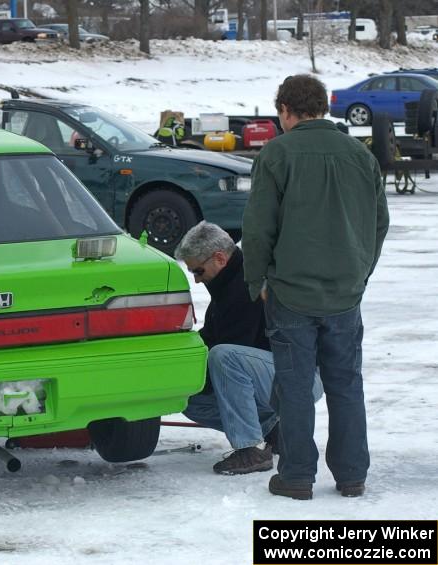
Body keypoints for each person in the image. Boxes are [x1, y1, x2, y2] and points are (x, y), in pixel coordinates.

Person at [242, 74, 389, 500]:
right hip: (345, 292)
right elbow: (380, 223)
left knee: (294, 384)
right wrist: (361, 272)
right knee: (346, 383)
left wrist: (258, 281)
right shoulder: (359, 155)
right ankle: (351, 475)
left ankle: (297, 475)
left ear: (286, 110)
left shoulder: (277, 154)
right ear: (322, 107)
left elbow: (257, 229)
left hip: (290, 292)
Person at [177, 221, 278, 475]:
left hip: (295, 374)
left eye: (198, 271)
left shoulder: (244, 286)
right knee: (191, 400)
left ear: (219, 258)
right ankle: (274, 430)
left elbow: (229, 351)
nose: (197, 280)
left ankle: (250, 449)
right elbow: (210, 337)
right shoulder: (228, 283)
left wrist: (194, 378)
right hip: (269, 372)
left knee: (224, 357)